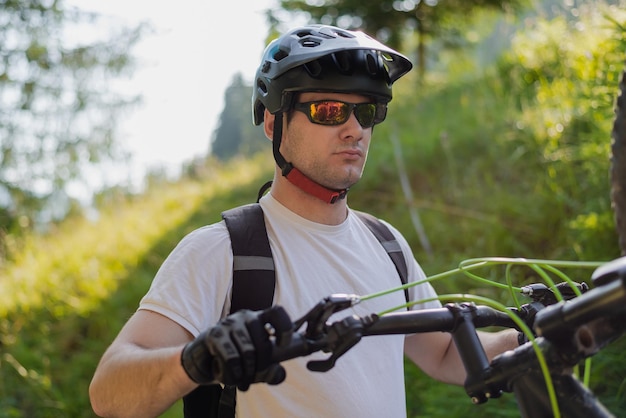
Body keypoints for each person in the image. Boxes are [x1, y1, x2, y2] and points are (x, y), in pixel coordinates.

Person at [89, 24, 519, 418]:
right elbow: (109, 393)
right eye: (330, 110)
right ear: (275, 123)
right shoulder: (222, 252)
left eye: (366, 113)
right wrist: (195, 360)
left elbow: (444, 351)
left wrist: (543, 336)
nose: (354, 130)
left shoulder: (386, 243)